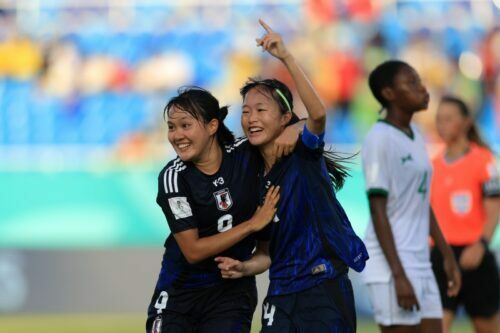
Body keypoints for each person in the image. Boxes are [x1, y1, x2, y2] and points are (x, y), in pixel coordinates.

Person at [215, 19, 368, 333]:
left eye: (261, 110)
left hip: (322, 285)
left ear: (285, 117)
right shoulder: (251, 177)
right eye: (246, 111)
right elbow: (267, 254)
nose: (251, 118)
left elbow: (319, 115)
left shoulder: (303, 156)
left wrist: (285, 57)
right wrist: (244, 267)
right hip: (281, 292)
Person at [146, 86, 300, 333]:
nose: (176, 135)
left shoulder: (247, 154)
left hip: (231, 294)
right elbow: (193, 251)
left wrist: (295, 126)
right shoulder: (173, 178)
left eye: (185, 125)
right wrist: (252, 223)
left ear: (212, 126)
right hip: (180, 292)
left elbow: (265, 253)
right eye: (171, 127)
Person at [360, 60, 462, 333]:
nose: (422, 89)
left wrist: (446, 255)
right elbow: (377, 209)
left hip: (420, 261)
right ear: (389, 93)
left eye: (420, 81)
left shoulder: (416, 135)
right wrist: (399, 275)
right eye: (412, 83)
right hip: (392, 264)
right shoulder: (379, 139)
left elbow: (421, 201)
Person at [430, 96, 500, 333]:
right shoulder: (432, 165)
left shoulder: (484, 161)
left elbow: (494, 210)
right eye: (439, 119)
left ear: (466, 122)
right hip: (440, 258)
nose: (442, 124)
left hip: (474, 259)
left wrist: (481, 245)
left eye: (449, 119)